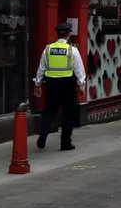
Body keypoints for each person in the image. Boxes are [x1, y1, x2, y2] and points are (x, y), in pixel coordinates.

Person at [34, 21, 86, 151]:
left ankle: (43, 134)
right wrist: (82, 86)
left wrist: (37, 84)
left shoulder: (48, 48)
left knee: (49, 112)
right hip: (68, 86)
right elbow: (79, 70)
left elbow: (41, 68)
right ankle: (65, 143)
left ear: (58, 34)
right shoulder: (72, 50)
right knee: (68, 114)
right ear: (69, 34)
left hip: (51, 85)